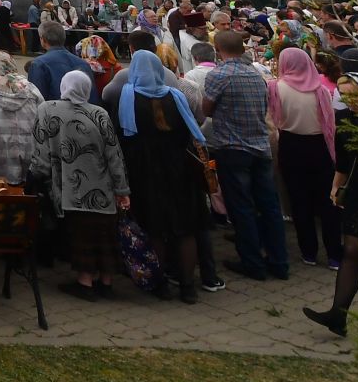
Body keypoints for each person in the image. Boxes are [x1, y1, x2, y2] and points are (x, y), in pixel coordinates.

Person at [116, 50, 213, 301]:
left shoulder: (129, 96)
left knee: (155, 228)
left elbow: (126, 135)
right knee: (185, 229)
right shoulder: (175, 96)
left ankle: (160, 285)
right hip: (179, 168)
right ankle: (188, 286)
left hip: (147, 170)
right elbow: (190, 130)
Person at [32, 70, 131, 299]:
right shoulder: (99, 113)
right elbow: (114, 154)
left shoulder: (48, 109)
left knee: (81, 233)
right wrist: (122, 189)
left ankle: (85, 282)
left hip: (70, 187)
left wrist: (37, 175)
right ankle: (106, 283)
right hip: (103, 187)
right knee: (106, 233)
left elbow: (41, 150)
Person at [305, 74, 358, 336]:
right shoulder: (345, 122)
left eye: (354, 94)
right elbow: (343, 162)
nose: (349, 101)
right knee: (352, 250)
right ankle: (338, 314)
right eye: (344, 95)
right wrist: (335, 186)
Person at [202, 29, 290, 281]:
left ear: (218, 49)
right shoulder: (257, 74)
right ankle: (279, 261)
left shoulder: (219, 74)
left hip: (232, 147)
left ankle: (252, 262)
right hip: (260, 145)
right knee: (269, 205)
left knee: (241, 207)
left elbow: (207, 109)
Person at [271, 46, 343, 268]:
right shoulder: (320, 90)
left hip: (291, 145)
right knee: (327, 202)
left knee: (299, 200)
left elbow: (274, 120)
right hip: (320, 146)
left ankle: (309, 251)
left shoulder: (275, 87)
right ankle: (334, 254)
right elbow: (329, 122)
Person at [0, 52, 42, 186]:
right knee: (27, 189)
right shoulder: (30, 87)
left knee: (3, 191)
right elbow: (42, 117)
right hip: (28, 146)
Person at [26, 19, 89, 102]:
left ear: (43, 39)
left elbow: (36, 100)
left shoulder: (38, 64)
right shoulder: (84, 63)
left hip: (52, 113)